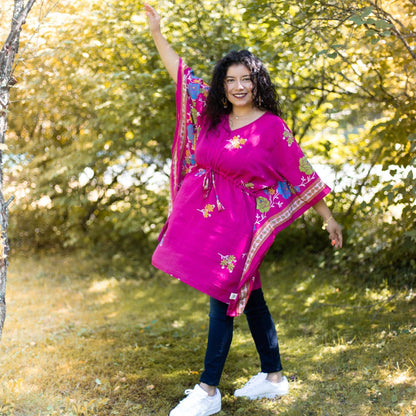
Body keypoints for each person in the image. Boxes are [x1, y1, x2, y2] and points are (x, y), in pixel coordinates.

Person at [144, 4, 343, 416]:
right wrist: (158, 34)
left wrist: (327, 217)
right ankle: (274, 378)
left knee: (223, 295)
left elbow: (301, 173)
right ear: (223, 84)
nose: (238, 86)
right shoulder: (210, 117)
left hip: (242, 223)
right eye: (231, 79)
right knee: (250, 295)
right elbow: (180, 75)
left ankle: (208, 391)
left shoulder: (271, 127)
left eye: (245, 79)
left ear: (256, 82)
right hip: (204, 220)